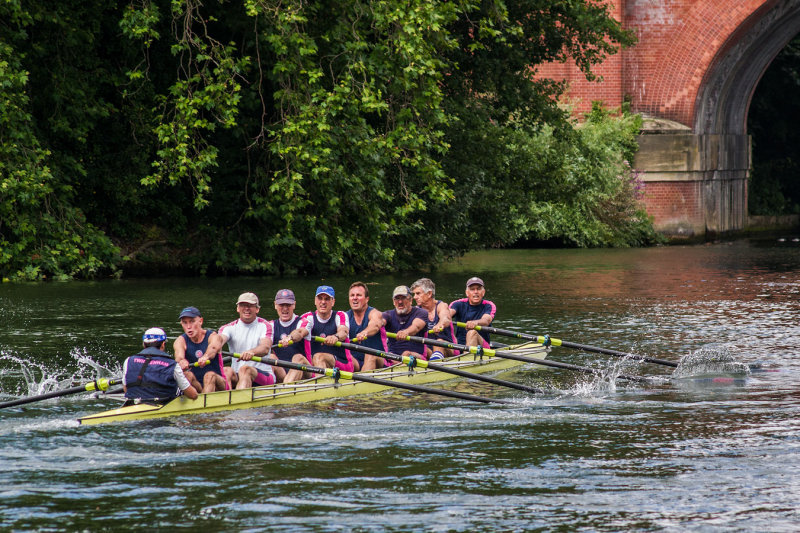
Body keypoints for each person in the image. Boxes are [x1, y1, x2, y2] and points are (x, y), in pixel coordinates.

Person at [199, 292, 276, 389]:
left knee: (245, 369)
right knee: (226, 370)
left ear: (257, 309)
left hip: (263, 376)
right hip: (238, 375)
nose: (246, 308)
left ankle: (236, 400)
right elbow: (217, 343)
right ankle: (226, 398)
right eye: (243, 305)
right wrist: (206, 356)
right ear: (238, 308)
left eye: (250, 305)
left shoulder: (265, 325)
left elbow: (265, 348)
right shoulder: (228, 328)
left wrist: (252, 352)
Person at [285, 285, 358, 372]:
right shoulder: (307, 317)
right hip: (315, 365)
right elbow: (300, 332)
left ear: (333, 302)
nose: (323, 302)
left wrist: (335, 337)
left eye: (327, 299)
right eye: (320, 298)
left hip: (342, 364)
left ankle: (319, 384)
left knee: (319, 357)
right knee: (298, 358)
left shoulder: (340, 315)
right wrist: (290, 337)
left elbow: (343, 331)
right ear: (315, 301)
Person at [123, 327, 198, 402]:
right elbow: (193, 395)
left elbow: (126, 389)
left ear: (144, 344)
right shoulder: (172, 364)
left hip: (133, 403)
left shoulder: (128, 360)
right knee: (189, 375)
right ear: (163, 344)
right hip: (162, 404)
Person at [172, 306, 230, 393]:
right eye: (185, 323)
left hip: (219, 384)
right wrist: (181, 361)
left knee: (209, 375)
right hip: (198, 386)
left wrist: (206, 356)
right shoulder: (180, 341)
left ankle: (204, 404)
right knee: (187, 375)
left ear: (200, 321)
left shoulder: (213, 337)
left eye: (192, 322)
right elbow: (179, 356)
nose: (188, 327)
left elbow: (213, 348)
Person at [270, 289, 312, 383]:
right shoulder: (270, 326)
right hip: (282, 373)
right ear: (275, 305)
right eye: (281, 305)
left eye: (288, 305)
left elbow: (300, 332)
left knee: (298, 357)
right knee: (271, 357)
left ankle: (285, 389)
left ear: (294, 305)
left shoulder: (304, 322)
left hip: (306, 372)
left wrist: (290, 337)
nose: (285, 308)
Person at [410, 277, 455, 360]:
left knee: (438, 342)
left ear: (429, 294)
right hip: (429, 350)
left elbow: (445, 318)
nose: (415, 297)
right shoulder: (415, 311)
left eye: (418, 293)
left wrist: (440, 324)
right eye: (414, 294)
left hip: (448, 348)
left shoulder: (441, 306)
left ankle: (435, 364)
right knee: (411, 347)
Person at [346, 281, 387, 371]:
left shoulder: (374, 313)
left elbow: (375, 325)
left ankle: (362, 383)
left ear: (367, 299)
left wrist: (365, 332)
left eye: (359, 295)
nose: (355, 298)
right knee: (337, 356)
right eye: (352, 295)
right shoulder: (345, 316)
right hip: (355, 361)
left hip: (378, 359)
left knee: (370, 354)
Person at [381, 285, 428, 359]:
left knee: (406, 354)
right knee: (373, 356)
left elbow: (416, 327)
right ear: (393, 301)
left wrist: (406, 332)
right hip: (393, 357)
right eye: (397, 299)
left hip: (417, 357)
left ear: (411, 300)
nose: (400, 302)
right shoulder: (387, 315)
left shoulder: (421, 313)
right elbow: (379, 322)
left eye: (403, 298)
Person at [449, 276, 496, 347]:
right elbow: (447, 314)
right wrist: (443, 320)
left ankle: (466, 357)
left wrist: (475, 323)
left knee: (472, 332)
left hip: (482, 347)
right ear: (467, 293)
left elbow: (486, 320)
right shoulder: (457, 304)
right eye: (472, 289)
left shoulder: (489, 305)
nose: (476, 292)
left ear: (483, 292)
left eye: (478, 289)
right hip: (460, 346)